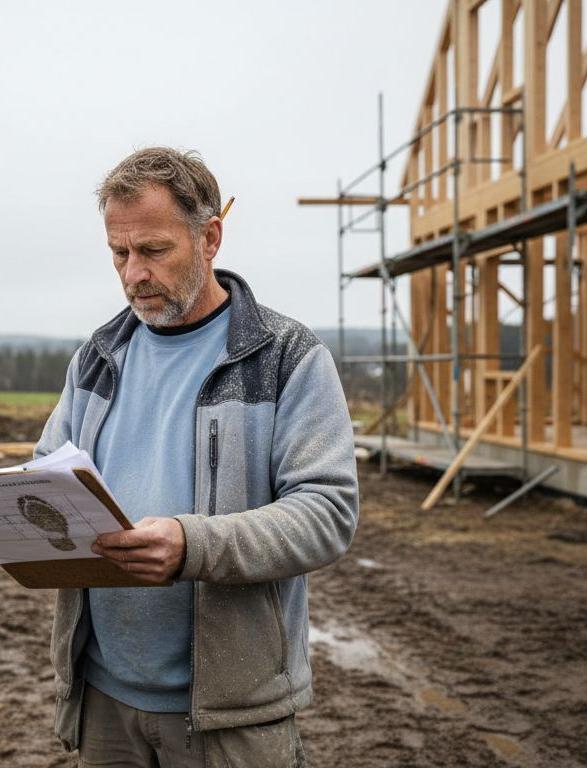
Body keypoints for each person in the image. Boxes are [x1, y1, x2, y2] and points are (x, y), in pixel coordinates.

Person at [34, 146, 359, 767]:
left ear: (210, 237)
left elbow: (326, 513)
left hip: (230, 712)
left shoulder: (285, 357)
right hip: (103, 696)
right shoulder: (98, 357)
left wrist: (191, 545)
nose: (133, 273)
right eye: (118, 254)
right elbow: (49, 470)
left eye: (154, 251)